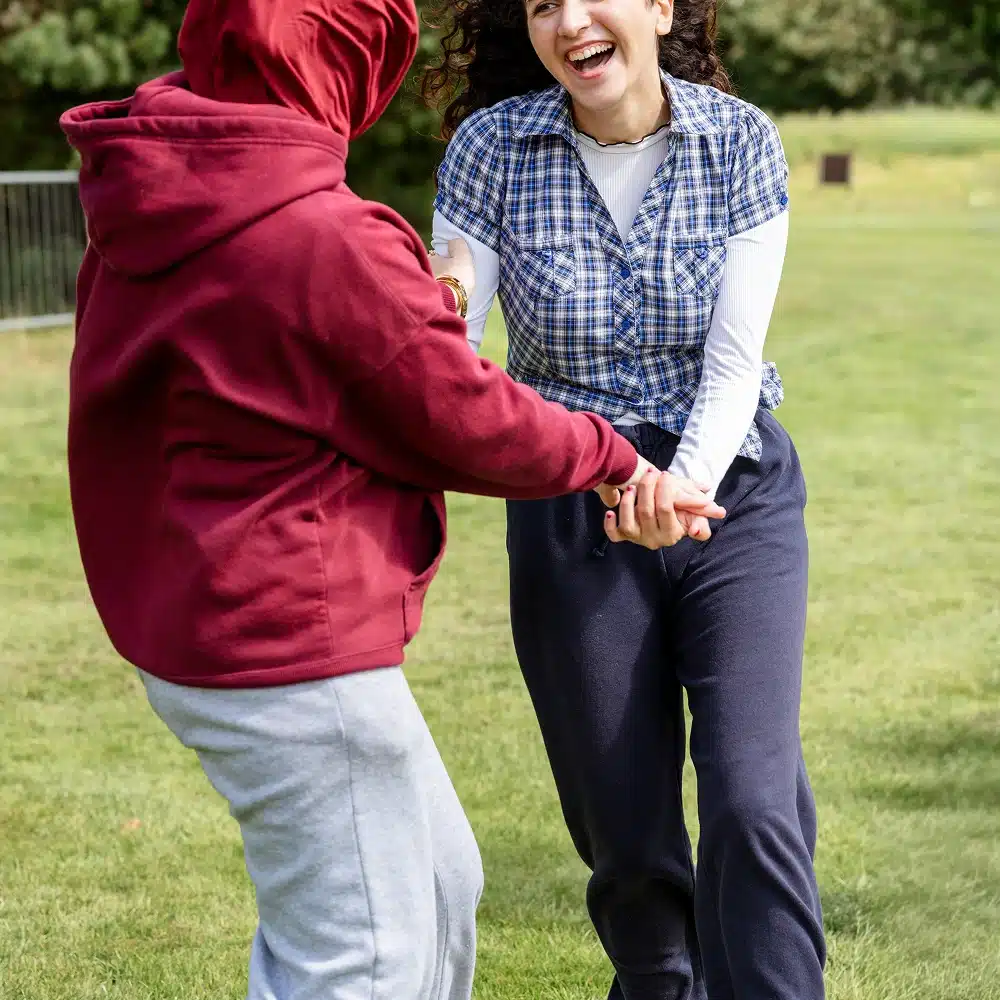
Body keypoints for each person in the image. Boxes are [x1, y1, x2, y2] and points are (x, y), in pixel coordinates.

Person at [58, 2, 728, 999]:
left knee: (437, 879)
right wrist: (613, 457)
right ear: (342, 58)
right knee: (360, 956)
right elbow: (460, 413)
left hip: (200, 626)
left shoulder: (157, 198)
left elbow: (296, 354)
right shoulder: (321, 236)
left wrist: (411, 301)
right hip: (288, 646)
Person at [422, 1, 827, 998]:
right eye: (541, 3)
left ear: (659, 8)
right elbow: (450, 350)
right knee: (624, 823)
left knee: (750, 796)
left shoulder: (737, 142)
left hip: (729, 492)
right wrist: (602, 467)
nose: (568, 20)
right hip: (569, 503)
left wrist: (675, 486)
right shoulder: (490, 150)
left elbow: (733, 365)